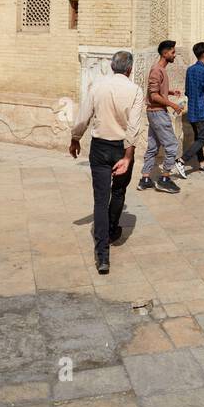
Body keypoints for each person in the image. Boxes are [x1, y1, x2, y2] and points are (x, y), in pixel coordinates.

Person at [69, 50, 145, 275]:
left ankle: (102, 255)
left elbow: (83, 117)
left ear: (112, 67)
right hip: (122, 148)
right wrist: (128, 157)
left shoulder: (98, 87)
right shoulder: (135, 91)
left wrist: (75, 138)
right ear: (129, 69)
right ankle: (111, 230)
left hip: (100, 148)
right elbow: (134, 126)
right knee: (119, 191)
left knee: (100, 200)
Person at [139, 40, 185, 193]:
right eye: (172, 52)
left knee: (153, 147)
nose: (174, 54)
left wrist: (170, 92)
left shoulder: (160, 70)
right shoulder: (157, 70)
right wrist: (173, 105)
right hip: (158, 113)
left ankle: (145, 178)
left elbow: (157, 90)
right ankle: (164, 178)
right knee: (172, 146)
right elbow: (154, 95)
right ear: (165, 54)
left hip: (154, 113)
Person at [181, 42, 204, 173]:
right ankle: (182, 161)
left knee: (198, 138)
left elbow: (187, 91)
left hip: (192, 111)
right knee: (203, 139)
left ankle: (202, 164)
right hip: (202, 111)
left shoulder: (190, 70)